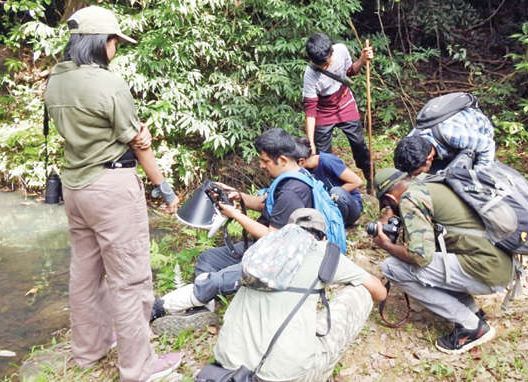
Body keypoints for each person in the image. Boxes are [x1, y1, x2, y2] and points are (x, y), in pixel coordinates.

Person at [44, 6, 181, 381]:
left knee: (85, 274)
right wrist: (165, 190)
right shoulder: (109, 84)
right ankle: (139, 367)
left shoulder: (56, 79)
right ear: (100, 43)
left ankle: (88, 352)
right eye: (114, 42)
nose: (116, 49)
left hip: (75, 187)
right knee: (130, 277)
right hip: (111, 188)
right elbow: (139, 144)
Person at [151, 128, 314, 322]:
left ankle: (160, 307)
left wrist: (235, 214)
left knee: (217, 279)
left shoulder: (292, 191)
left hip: (280, 258)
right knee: (208, 259)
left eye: (265, 161)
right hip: (265, 248)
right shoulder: (292, 176)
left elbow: (272, 236)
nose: (261, 165)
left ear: (283, 160)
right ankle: (203, 304)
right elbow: (265, 204)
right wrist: (238, 195)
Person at [212, 208, 387, 381]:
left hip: (227, 366)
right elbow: (379, 292)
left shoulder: (264, 248)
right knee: (362, 291)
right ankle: (323, 371)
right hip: (284, 376)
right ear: (323, 237)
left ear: (287, 230)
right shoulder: (323, 252)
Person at [372, 168, 513, 354]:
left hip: (486, 269)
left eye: (387, 205)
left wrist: (387, 245)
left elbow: (419, 257)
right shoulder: (429, 184)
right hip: (498, 263)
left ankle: (471, 327)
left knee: (392, 267)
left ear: (390, 197)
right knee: (432, 264)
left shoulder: (410, 198)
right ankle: (472, 311)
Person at [303, 32, 373, 189]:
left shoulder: (340, 50)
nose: (325, 67)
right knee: (322, 155)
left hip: (345, 103)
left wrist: (362, 60)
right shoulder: (310, 75)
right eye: (321, 66)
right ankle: (329, 187)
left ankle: (370, 177)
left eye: (327, 63)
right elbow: (310, 110)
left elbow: (350, 72)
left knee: (359, 144)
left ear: (331, 52)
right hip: (323, 111)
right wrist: (311, 142)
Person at [394, 107, 495, 176]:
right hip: (445, 143)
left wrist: (479, 174)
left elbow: (488, 145)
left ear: (429, 159)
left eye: (417, 173)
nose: (414, 177)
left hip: (479, 129)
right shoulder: (411, 138)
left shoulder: (453, 135)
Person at [294, 137, 363, 226]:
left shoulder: (327, 161)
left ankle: (339, 224)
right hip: (329, 210)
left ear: (301, 161)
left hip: (351, 207)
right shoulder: (305, 172)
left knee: (336, 192)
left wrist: (327, 197)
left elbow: (357, 181)